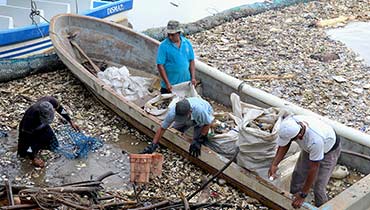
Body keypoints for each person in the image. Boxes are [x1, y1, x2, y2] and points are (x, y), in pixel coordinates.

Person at [268, 115, 341, 208]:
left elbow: (313, 168)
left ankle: (322, 206)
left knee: (318, 187)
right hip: (309, 149)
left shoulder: (315, 141)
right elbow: (284, 145)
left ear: (298, 136)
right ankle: (293, 201)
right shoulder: (290, 123)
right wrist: (274, 164)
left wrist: (303, 195)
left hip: (329, 150)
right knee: (298, 176)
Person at [18, 96, 80, 167]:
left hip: (43, 126)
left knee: (53, 144)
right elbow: (26, 142)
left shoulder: (51, 101)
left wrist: (70, 121)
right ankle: (33, 155)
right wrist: (33, 158)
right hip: (30, 130)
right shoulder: (30, 119)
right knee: (24, 154)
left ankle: (41, 149)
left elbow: (60, 109)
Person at [141, 97, 213, 157]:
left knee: (197, 140)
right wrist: (153, 144)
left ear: (190, 112)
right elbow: (162, 128)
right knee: (175, 131)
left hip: (203, 115)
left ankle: (201, 143)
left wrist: (199, 140)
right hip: (189, 116)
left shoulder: (200, 111)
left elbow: (207, 124)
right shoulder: (172, 113)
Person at [157, 20, 196, 94]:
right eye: (169, 34)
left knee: (184, 104)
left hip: (185, 84)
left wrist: (193, 77)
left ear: (179, 33)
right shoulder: (163, 46)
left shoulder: (187, 43)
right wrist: (167, 83)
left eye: (173, 35)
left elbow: (191, 61)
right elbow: (160, 65)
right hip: (170, 86)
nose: (170, 37)